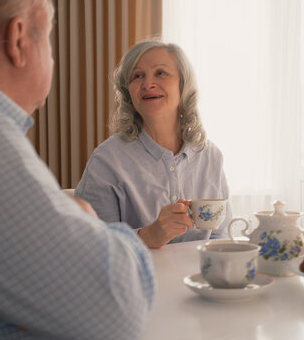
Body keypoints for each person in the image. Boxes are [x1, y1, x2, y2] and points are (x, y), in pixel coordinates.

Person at [0, 0, 154, 339]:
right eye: (48, 41)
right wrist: (91, 223)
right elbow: (116, 308)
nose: (51, 57)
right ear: (18, 39)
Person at [75, 39, 232, 249]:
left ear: (183, 85)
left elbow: (221, 239)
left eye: (161, 73)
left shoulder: (211, 157)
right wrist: (145, 236)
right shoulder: (106, 161)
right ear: (128, 92)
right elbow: (89, 246)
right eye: (137, 76)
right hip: (134, 281)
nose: (147, 84)